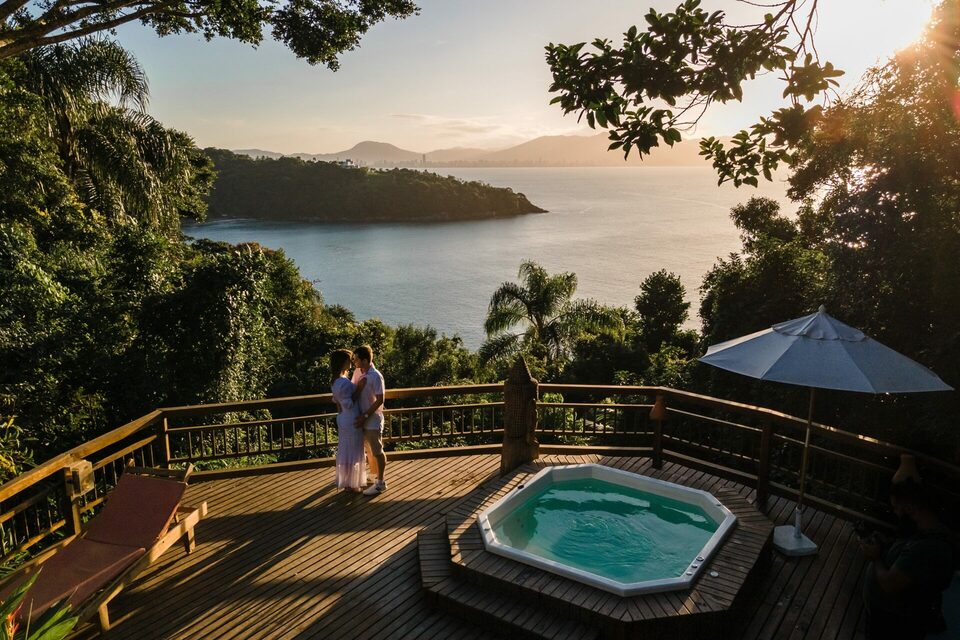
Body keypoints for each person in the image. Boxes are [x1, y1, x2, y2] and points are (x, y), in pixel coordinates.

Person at [861, 479, 957, 640]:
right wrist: (886, 546)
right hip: (888, 617)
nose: (895, 513)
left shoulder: (929, 548)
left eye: (896, 508)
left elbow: (890, 584)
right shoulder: (923, 529)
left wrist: (875, 557)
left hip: (894, 626)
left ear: (910, 507)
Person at [351, 345, 387, 496]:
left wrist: (365, 415)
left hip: (372, 419)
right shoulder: (358, 372)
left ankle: (381, 483)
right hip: (361, 418)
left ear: (365, 360)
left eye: (356, 359)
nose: (354, 361)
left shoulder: (375, 376)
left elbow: (380, 400)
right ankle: (373, 477)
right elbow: (353, 390)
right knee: (368, 450)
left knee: (377, 450)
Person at [330, 349, 367, 492]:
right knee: (354, 450)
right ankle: (352, 484)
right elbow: (349, 402)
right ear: (342, 362)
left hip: (343, 417)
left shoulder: (335, 381)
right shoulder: (343, 383)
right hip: (351, 417)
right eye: (349, 359)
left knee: (346, 450)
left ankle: (347, 482)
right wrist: (360, 388)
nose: (351, 362)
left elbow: (336, 401)